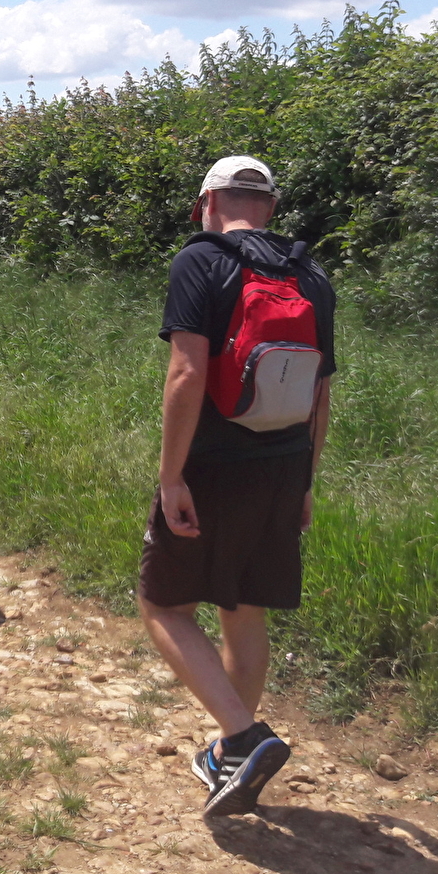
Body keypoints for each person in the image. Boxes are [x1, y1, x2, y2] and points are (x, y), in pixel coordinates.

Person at [138, 156, 336, 817]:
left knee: (163, 607)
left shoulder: (201, 261)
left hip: (214, 467)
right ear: (270, 208)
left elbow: (187, 375)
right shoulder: (310, 274)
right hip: (284, 465)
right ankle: (232, 763)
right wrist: (306, 480)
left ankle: (245, 736)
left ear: (205, 204)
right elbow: (321, 393)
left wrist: (172, 477)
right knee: (243, 610)